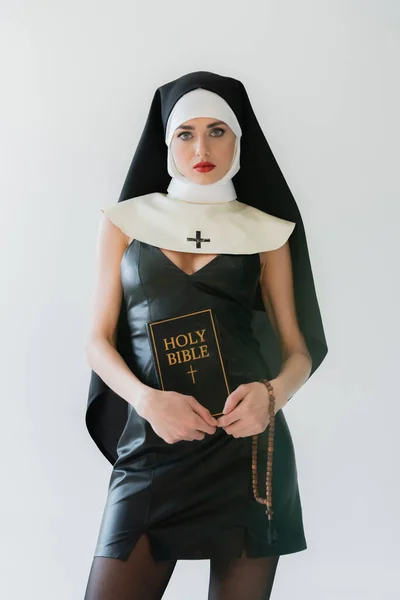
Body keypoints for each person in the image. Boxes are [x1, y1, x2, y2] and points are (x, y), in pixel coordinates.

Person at [83, 71, 328, 600]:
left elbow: (298, 350)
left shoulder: (267, 232)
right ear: (166, 142)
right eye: (185, 133)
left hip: (245, 448)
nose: (202, 147)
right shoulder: (123, 222)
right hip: (152, 446)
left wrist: (271, 396)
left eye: (218, 130)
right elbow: (96, 342)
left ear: (240, 140)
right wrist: (147, 400)